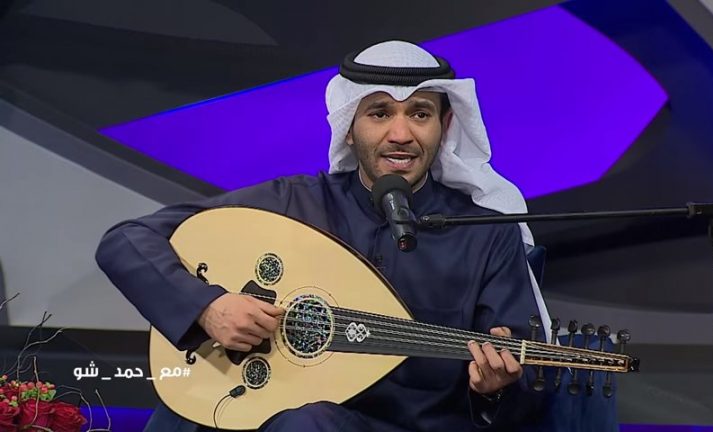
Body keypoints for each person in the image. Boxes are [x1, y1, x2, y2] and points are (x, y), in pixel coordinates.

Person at [96, 40, 555, 431]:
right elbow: (128, 240)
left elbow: (529, 387)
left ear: (445, 125)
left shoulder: (485, 234)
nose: (400, 133)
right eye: (379, 113)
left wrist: (495, 388)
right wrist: (207, 307)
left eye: (419, 113)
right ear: (349, 128)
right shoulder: (294, 204)